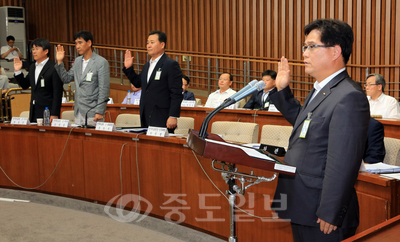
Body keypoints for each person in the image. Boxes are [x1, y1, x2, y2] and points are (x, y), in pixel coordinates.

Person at [270, 19, 370, 242]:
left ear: (335, 51)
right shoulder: (323, 90)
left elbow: (343, 161)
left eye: (311, 46)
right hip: (304, 203)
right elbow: (306, 126)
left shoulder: (348, 96)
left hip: (322, 214)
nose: (304, 53)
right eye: (304, 47)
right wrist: (282, 91)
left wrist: (330, 211)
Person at [123, 30, 183, 132]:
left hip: (162, 115)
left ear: (162, 44)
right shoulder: (147, 65)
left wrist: (173, 115)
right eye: (147, 42)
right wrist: (129, 68)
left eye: (152, 42)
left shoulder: (170, 64)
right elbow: (138, 83)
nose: (148, 45)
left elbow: (176, 92)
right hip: (146, 113)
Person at [55, 31, 110, 126]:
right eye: (76, 43)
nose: (77, 46)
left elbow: (104, 89)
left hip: (93, 111)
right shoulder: (77, 61)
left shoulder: (101, 62)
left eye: (80, 42)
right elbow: (66, 78)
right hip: (78, 111)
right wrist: (60, 62)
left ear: (89, 43)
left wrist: (100, 111)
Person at [13, 38, 63, 123]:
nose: (34, 52)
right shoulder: (32, 67)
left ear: (46, 51)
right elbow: (25, 85)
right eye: (33, 49)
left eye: (37, 49)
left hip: (48, 111)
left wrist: (54, 113)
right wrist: (18, 71)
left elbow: (57, 93)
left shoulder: (54, 67)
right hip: (34, 110)